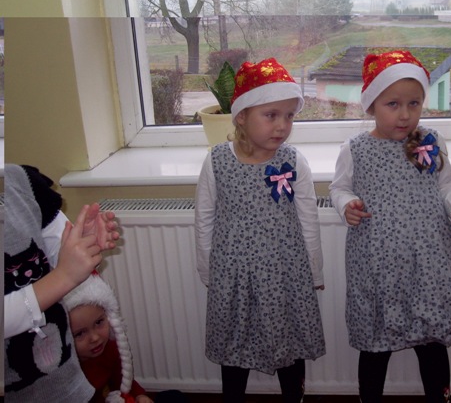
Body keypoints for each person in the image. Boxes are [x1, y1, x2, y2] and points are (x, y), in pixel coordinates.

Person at [329, 50, 451, 403]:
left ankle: (439, 397)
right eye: (393, 104)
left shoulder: (431, 141)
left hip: (428, 264)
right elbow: (338, 188)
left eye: (414, 103)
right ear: (371, 105)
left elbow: (447, 185)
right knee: (375, 345)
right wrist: (346, 205)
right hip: (377, 267)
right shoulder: (355, 149)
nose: (405, 114)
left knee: (431, 342)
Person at [194, 58, 326, 403]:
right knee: (233, 345)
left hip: (285, 274)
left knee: (289, 344)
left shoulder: (293, 161)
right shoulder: (217, 161)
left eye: (289, 116)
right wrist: (207, 270)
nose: (282, 126)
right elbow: (204, 218)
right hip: (233, 275)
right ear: (241, 116)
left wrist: (314, 271)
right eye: (271, 115)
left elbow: (308, 219)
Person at [4, 164, 120, 402]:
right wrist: (64, 276)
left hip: (67, 380)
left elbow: (57, 255)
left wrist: (84, 246)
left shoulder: (23, 182)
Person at [63, 271, 188, 403]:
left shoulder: (109, 348)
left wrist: (139, 395)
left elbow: (121, 381)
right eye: (80, 333)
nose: (95, 338)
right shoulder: (64, 370)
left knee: (174, 397)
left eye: (99, 322)